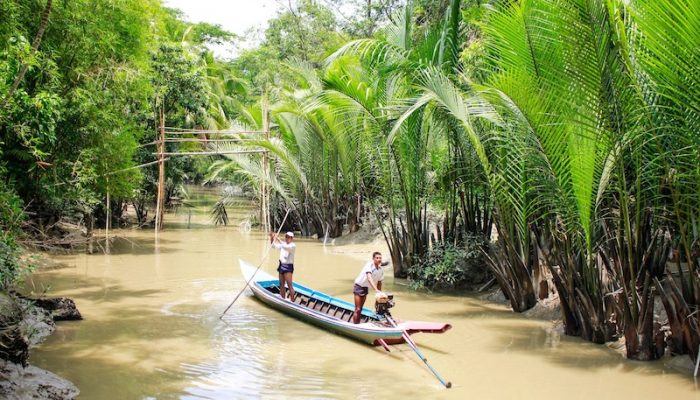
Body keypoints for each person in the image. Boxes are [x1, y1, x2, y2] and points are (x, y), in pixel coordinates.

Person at [352, 251, 385, 324]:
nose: (379, 259)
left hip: (365, 288)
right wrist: (376, 290)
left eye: (380, 258)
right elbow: (369, 278)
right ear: (373, 259)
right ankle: (356, 326)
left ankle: (358, 324)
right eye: (377, 258)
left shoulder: (380, 270)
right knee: (357, 309)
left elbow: (379, 283)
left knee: (361, 308)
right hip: (358, 286)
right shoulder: (369, 265)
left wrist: (380, 294)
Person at [271, 231, 296, 301]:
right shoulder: (283, 244)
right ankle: (282, 299)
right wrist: (272, 238)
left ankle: (293, 301)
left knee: (289, 285)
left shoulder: (292, 246)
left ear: (292, 238)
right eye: (286, 237)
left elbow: (285, 247)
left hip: (288, 267)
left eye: (289, 237)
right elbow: (273, 246)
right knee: (281, 284)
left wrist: (277, 239)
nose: (287, 238)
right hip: (281, 265)